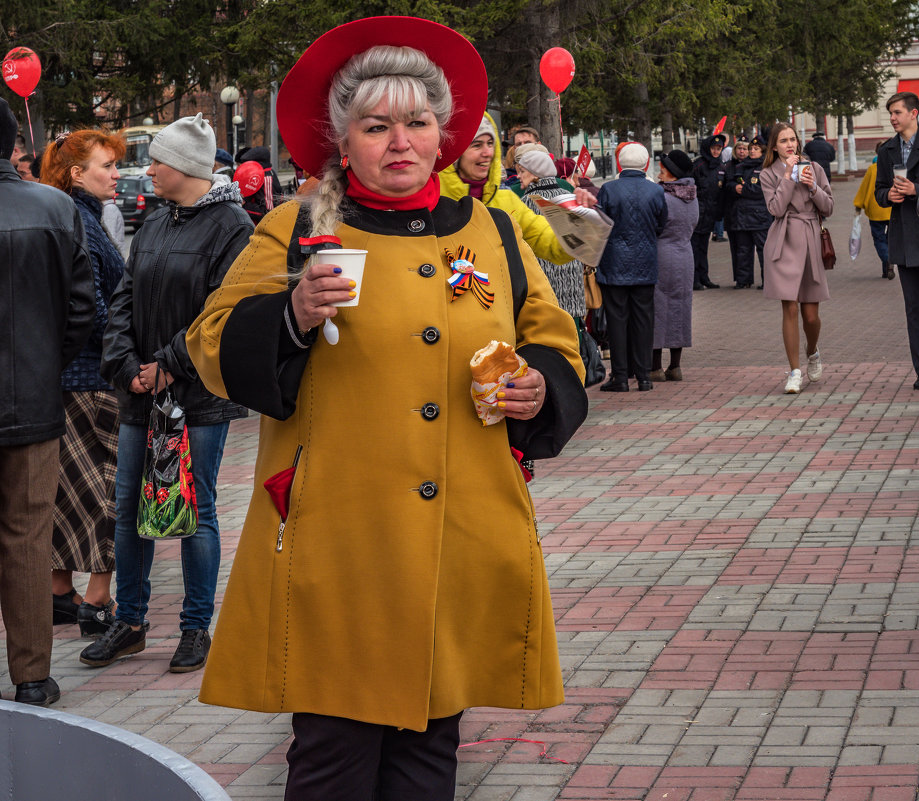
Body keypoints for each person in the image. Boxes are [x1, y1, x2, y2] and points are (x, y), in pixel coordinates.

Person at [184, 16, 588, 799]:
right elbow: (208, 344)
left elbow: (553, 341)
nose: (400, 141)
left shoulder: (494, 232)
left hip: (460, 536)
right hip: (339, 543)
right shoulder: (298, 228)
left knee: (432, 753)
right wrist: (294, 314)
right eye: (377, 126)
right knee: (333, 757)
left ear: (444, 134)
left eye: (418, 122)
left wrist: (539, 386)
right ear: (343, 140)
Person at [81, 113, 252, 673]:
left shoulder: (231, 225)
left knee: (195, 509)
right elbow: (125, 298)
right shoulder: (155, 221)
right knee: (130, 508)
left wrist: (170, 366)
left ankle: (195, 628)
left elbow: (221, 311)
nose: (147, 170)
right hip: (141, 393)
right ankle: (129, 623)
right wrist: (127, 365)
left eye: (156, 161)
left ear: (185, 167)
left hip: (199, 397)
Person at [0, 97, 95, 706]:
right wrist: (46, 367)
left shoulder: (56, 206)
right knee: (27, 537)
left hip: (35, 392)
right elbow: (83, 309)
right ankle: (32, 674)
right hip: (33, 401)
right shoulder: (56, 207)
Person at [40, 130, 127, 639]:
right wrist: (122, 353)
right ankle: (97, 599)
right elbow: (93, 308)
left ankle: (59, 593)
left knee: (67, 489)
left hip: (67, 376)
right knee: (108, 490)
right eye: (107, 165)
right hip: (93, 376)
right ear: (77, 174)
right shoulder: (81, 222)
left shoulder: (70, 215)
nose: (116, 173)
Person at [874, 91, 919, 390]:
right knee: (914, 306)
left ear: (914, 113)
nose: (892, 118)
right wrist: (887, 196)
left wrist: (916, 190)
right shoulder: (887, 150)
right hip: (903, 239)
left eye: (897, 112)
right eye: (890, 113)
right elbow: (879, 191)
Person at [440, 113, 573, 266]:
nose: (487, 153)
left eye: (490, 143)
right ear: (455, 151)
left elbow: (544, 236)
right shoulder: (434, 199)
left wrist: (580, 230)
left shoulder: (506, 201)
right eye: (477, 145)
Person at [587, 141, 667, 392]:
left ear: (620, 163)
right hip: (645, 262)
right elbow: (661, 224)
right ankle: (644, 376)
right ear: (645, 163)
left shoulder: (609, 189)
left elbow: (601, 223)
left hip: (614, 263)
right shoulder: (655, 191)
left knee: (617, 320)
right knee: (644, 319)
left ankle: (620, 376)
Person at [760, 121, 833, 394]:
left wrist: (813, 186)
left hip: (812, 238)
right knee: (789, 307)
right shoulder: (768, 174)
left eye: (792, 139)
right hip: (784, 240)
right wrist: (788, 176)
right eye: (783, 141)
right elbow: (776, 209)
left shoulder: (814, 168)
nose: (790, 145)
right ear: (774, 147)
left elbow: (829, 207)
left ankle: (812, 351)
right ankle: (794, 371)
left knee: (811, 316)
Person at [516, 149, 587, 322]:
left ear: (535, 174)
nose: (518, 176)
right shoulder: (570, 198)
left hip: (544, 292)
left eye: (522, 171)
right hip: (573, 287)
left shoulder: (526, 203)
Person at [651, 150, 698, 381]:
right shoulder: (692, 195)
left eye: (662, 169)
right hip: (685, 255)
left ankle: (655, 367)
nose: (659, 173)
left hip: (662, 253)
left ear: (671, 172)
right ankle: (675, 366)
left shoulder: (663, 196)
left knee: (658, 308)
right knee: (680, 307)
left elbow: (654, 225)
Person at [731, 135, 773, 290]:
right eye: (751, 149)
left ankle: (767, 281)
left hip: (759, 215)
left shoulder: (766, 168)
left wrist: (744, 189)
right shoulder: (742, 166)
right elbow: (732, 182)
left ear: (762, 151)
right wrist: (734, 188)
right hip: (742, 215)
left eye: (756, 149)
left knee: (763, 250)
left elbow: (763, 190)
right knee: (743, 249)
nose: (752, 151)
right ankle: (743, 280)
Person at [853, 141, 893, 279]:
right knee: (890, 239)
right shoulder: (894, 167)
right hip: (892, 209)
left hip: (876, 210)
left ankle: (887, 260)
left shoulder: (872, 168)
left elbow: (864, 188)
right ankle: (887, 268)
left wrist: (858, 205)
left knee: (879, 239)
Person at [691, 133, 725, 289]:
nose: (716, 152)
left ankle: (704, 276)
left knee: (704, 247)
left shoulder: (720, 167)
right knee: (694, 247)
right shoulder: (698, 166)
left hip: (710, 214)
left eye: (719, 149)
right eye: (714, 148)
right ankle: (694, 279)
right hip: (697, 213)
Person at [721, 136, 749, 285]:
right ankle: (739, 278)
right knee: (736, 247)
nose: (742, 151)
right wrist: (733, 187)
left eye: (745, 148)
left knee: (747, 248)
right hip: (733, 211)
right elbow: (724, 185)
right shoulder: (728, 166)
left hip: (749, 213)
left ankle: (747, 278)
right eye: (739, 148)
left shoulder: (753, 166)